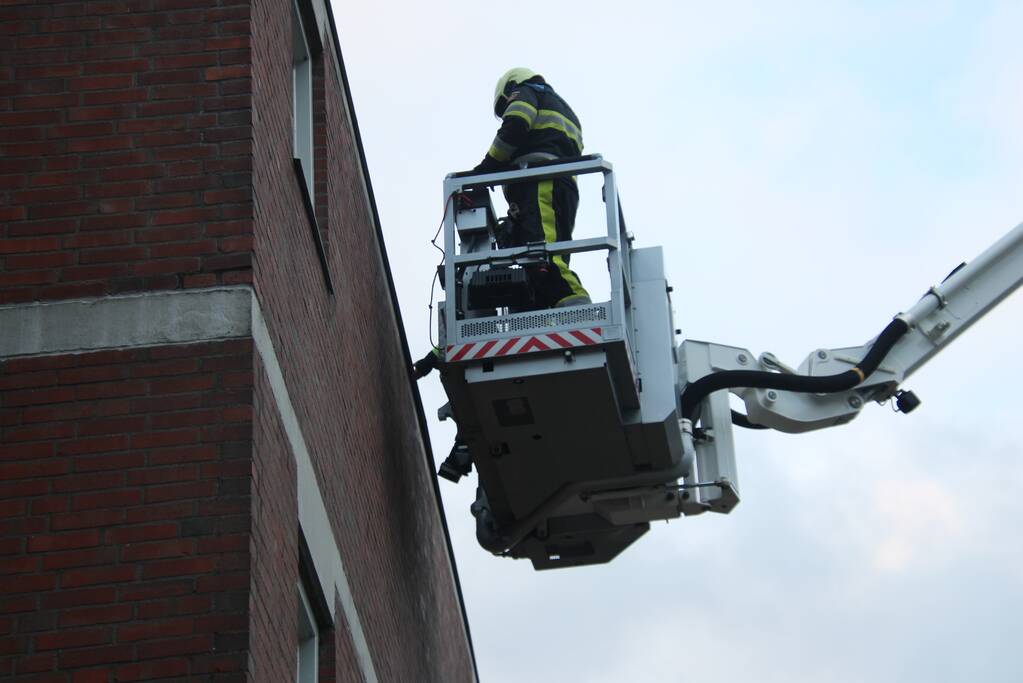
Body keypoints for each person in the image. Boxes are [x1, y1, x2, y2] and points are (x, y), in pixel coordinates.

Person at [473, 67, 591, 309]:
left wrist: (487, 167)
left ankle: (580, 312)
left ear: (510, 87)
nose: (506, 109)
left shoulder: (526, 91)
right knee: (541, 259)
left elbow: (516, 125)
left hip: (539, 183)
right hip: (559, 187)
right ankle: (553, 312)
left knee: (544, 257)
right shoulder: (563, 109)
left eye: (505, 104)